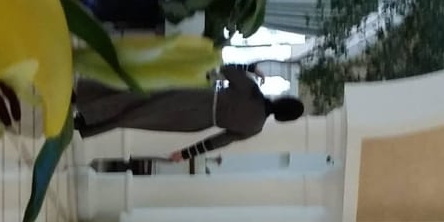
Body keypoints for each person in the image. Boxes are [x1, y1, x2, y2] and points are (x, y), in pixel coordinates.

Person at [73, 64, 305, 162]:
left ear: (283, 99)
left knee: (138, 95)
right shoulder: (255, 127)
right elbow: (218, 141)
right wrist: (186, 154)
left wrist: (251, 68)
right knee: (139, 117)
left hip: (196, 96)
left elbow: (225, 68)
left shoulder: (251, 90)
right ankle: (85, 122)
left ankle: (84, 101)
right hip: (195, 122)